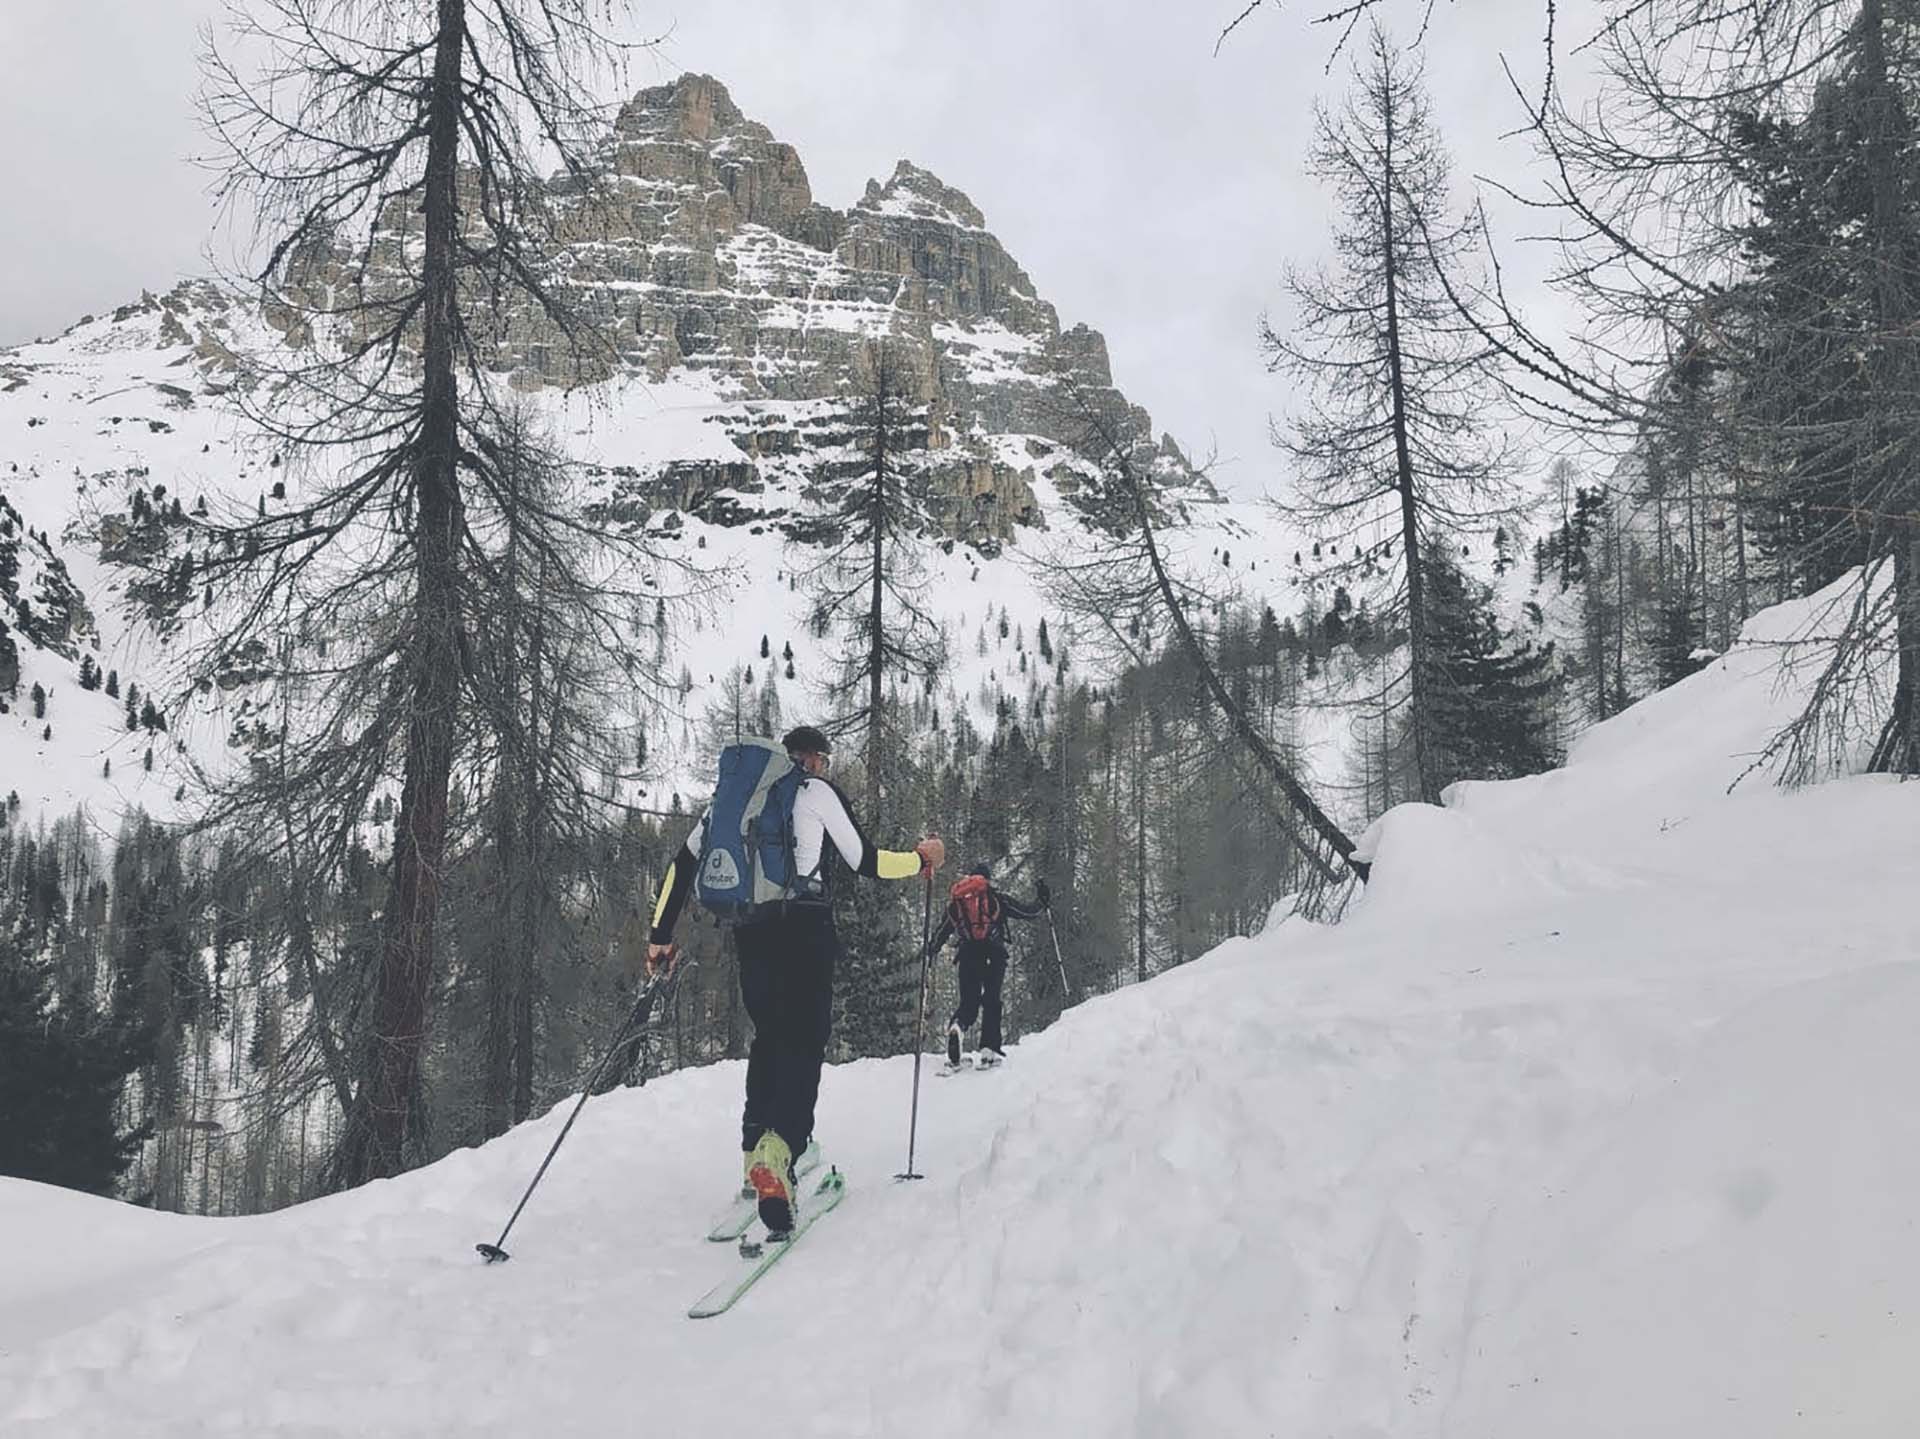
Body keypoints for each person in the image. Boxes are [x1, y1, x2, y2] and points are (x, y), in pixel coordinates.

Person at [645, 725, 943, 1234]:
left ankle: (752, 1155)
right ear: (814, 759)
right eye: (822, 760)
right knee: (805, 1042)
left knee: (769, 1039)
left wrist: (659, 935)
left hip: (751, 930)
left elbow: (682, 865)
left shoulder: (731, 802)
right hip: (804, 929)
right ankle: (779, 1154)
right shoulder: (813, 792)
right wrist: (920, 860)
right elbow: (865, 861)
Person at [926, 863, 1049, 1069]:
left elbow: (942, 932)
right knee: (992, 1000)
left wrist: (931, 950)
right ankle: (988, 1051)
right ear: (987, 879)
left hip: (967, 956)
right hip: (994, 955)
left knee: (968, 1004)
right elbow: (1027, 912)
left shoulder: (957, 905)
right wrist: (1042, 899)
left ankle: (957, 1027)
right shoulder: (996, 899)